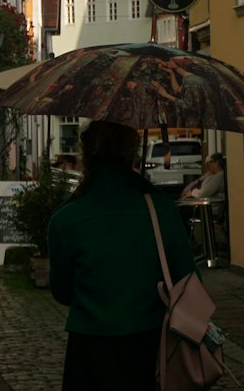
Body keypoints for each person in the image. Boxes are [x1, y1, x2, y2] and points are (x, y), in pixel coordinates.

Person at [47, 120, 197, 391]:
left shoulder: (64, 220)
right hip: (150, 345)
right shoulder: (162, 209)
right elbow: (187, 279)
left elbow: (61, 292)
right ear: (131, 152)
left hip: (88, 352)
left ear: (87, 154)